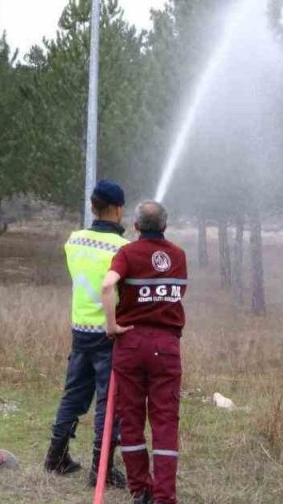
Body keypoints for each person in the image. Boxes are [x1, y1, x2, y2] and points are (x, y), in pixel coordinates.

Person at [101, 200, 188, 504]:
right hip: (166, 346)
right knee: (165, 422)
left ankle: (141, 490)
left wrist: (111, 325)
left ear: (135, 226)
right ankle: (165, 496)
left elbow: (108, 285)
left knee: (132, 418)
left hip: (131, 344)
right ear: (165, 225)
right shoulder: (178, 255)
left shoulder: (126, 254)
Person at [44, 180, 129, 489]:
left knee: (74, 396)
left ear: (93, 207)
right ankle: (101, 468)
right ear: (119, 209)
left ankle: (55, 457)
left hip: (80, 330)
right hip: (110, 333)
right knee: (110, 404)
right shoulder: (123, 249)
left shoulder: (74, 241)